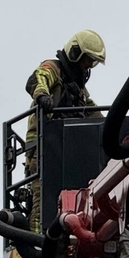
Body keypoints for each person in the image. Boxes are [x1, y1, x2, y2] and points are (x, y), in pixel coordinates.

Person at [24, 29, 106, 233]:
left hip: (67, 152)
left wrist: (112, 128)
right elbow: (37, 79)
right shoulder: (53, 68)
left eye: (92, 62)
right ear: (74, 53)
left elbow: (92, 113)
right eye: (87, 60)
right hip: (43, 151)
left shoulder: (78, 90)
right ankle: (39, 244)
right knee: (43, 202)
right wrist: (42, 96)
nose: (88, 66)